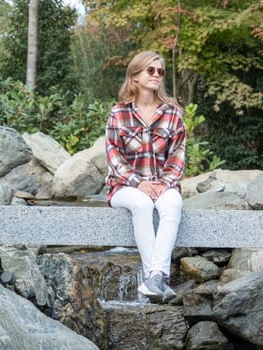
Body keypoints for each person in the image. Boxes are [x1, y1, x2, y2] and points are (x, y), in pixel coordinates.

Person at [105, 51, 186, 303]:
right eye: (151, 70)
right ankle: (157, 277)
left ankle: (155, 277)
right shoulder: (118, 113)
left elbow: (178, 157)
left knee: (173, 204)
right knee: (142, 204)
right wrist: (139, 183)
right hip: (125, 186)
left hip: (163, 183)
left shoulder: (172, 113)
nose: (157, 76)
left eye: (160, 72)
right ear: (135, 76)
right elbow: (113, 156)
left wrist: (163, 184)